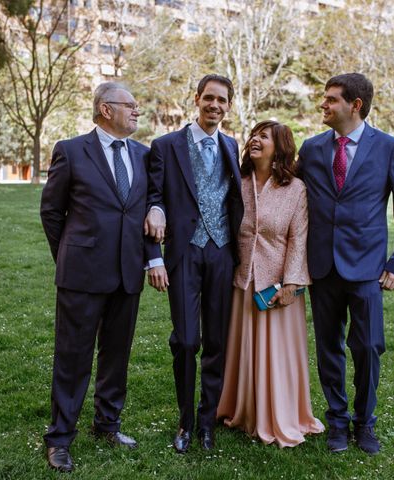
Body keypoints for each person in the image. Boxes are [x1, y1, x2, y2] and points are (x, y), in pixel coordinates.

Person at [296, 73, 394, 455]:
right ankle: (337, 421)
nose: (323, 105)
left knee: (368, 347)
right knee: (328, 348)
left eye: (331, 99)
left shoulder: (388, 148)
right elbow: (290, 193)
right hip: (321, 267)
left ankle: (366, 423)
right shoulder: (313, 148)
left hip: (367, 268)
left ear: (355, 105)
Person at [40, 82, 159, 472]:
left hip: (128, 273)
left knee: (117, 355)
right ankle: (59, 438)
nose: (137, 111)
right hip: (82, 274)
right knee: (72, 358)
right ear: (106, 109)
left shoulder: (144, 155)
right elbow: (52, 212)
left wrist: (157, 212)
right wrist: (70, 256)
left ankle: (108, 424)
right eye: (131, 104)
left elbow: (151, 202)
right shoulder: (71, 150)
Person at [144, 74, 244, 453]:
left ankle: (207, 423)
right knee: (186, 341)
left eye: (222, 101)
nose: (215, 106)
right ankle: (184, 422)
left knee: (217, 342)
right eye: (209, 98)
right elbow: (153, 197)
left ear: (228, 106)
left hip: (222, 253)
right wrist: (154, 251)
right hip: (183, 252)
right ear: (196, 99)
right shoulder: (166, 146)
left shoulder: (231, 146)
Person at [216, 120, 325, 447]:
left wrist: (291, 284)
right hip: (243, 280)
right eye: (254, 135)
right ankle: (242, 411)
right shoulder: (239, 183)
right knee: (242, 350)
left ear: (280, 146)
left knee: (277, 355)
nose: (255, 140)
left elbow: (298, 238)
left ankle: (279, 415)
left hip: (277, 286)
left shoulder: (295, 189)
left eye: (264, 136)